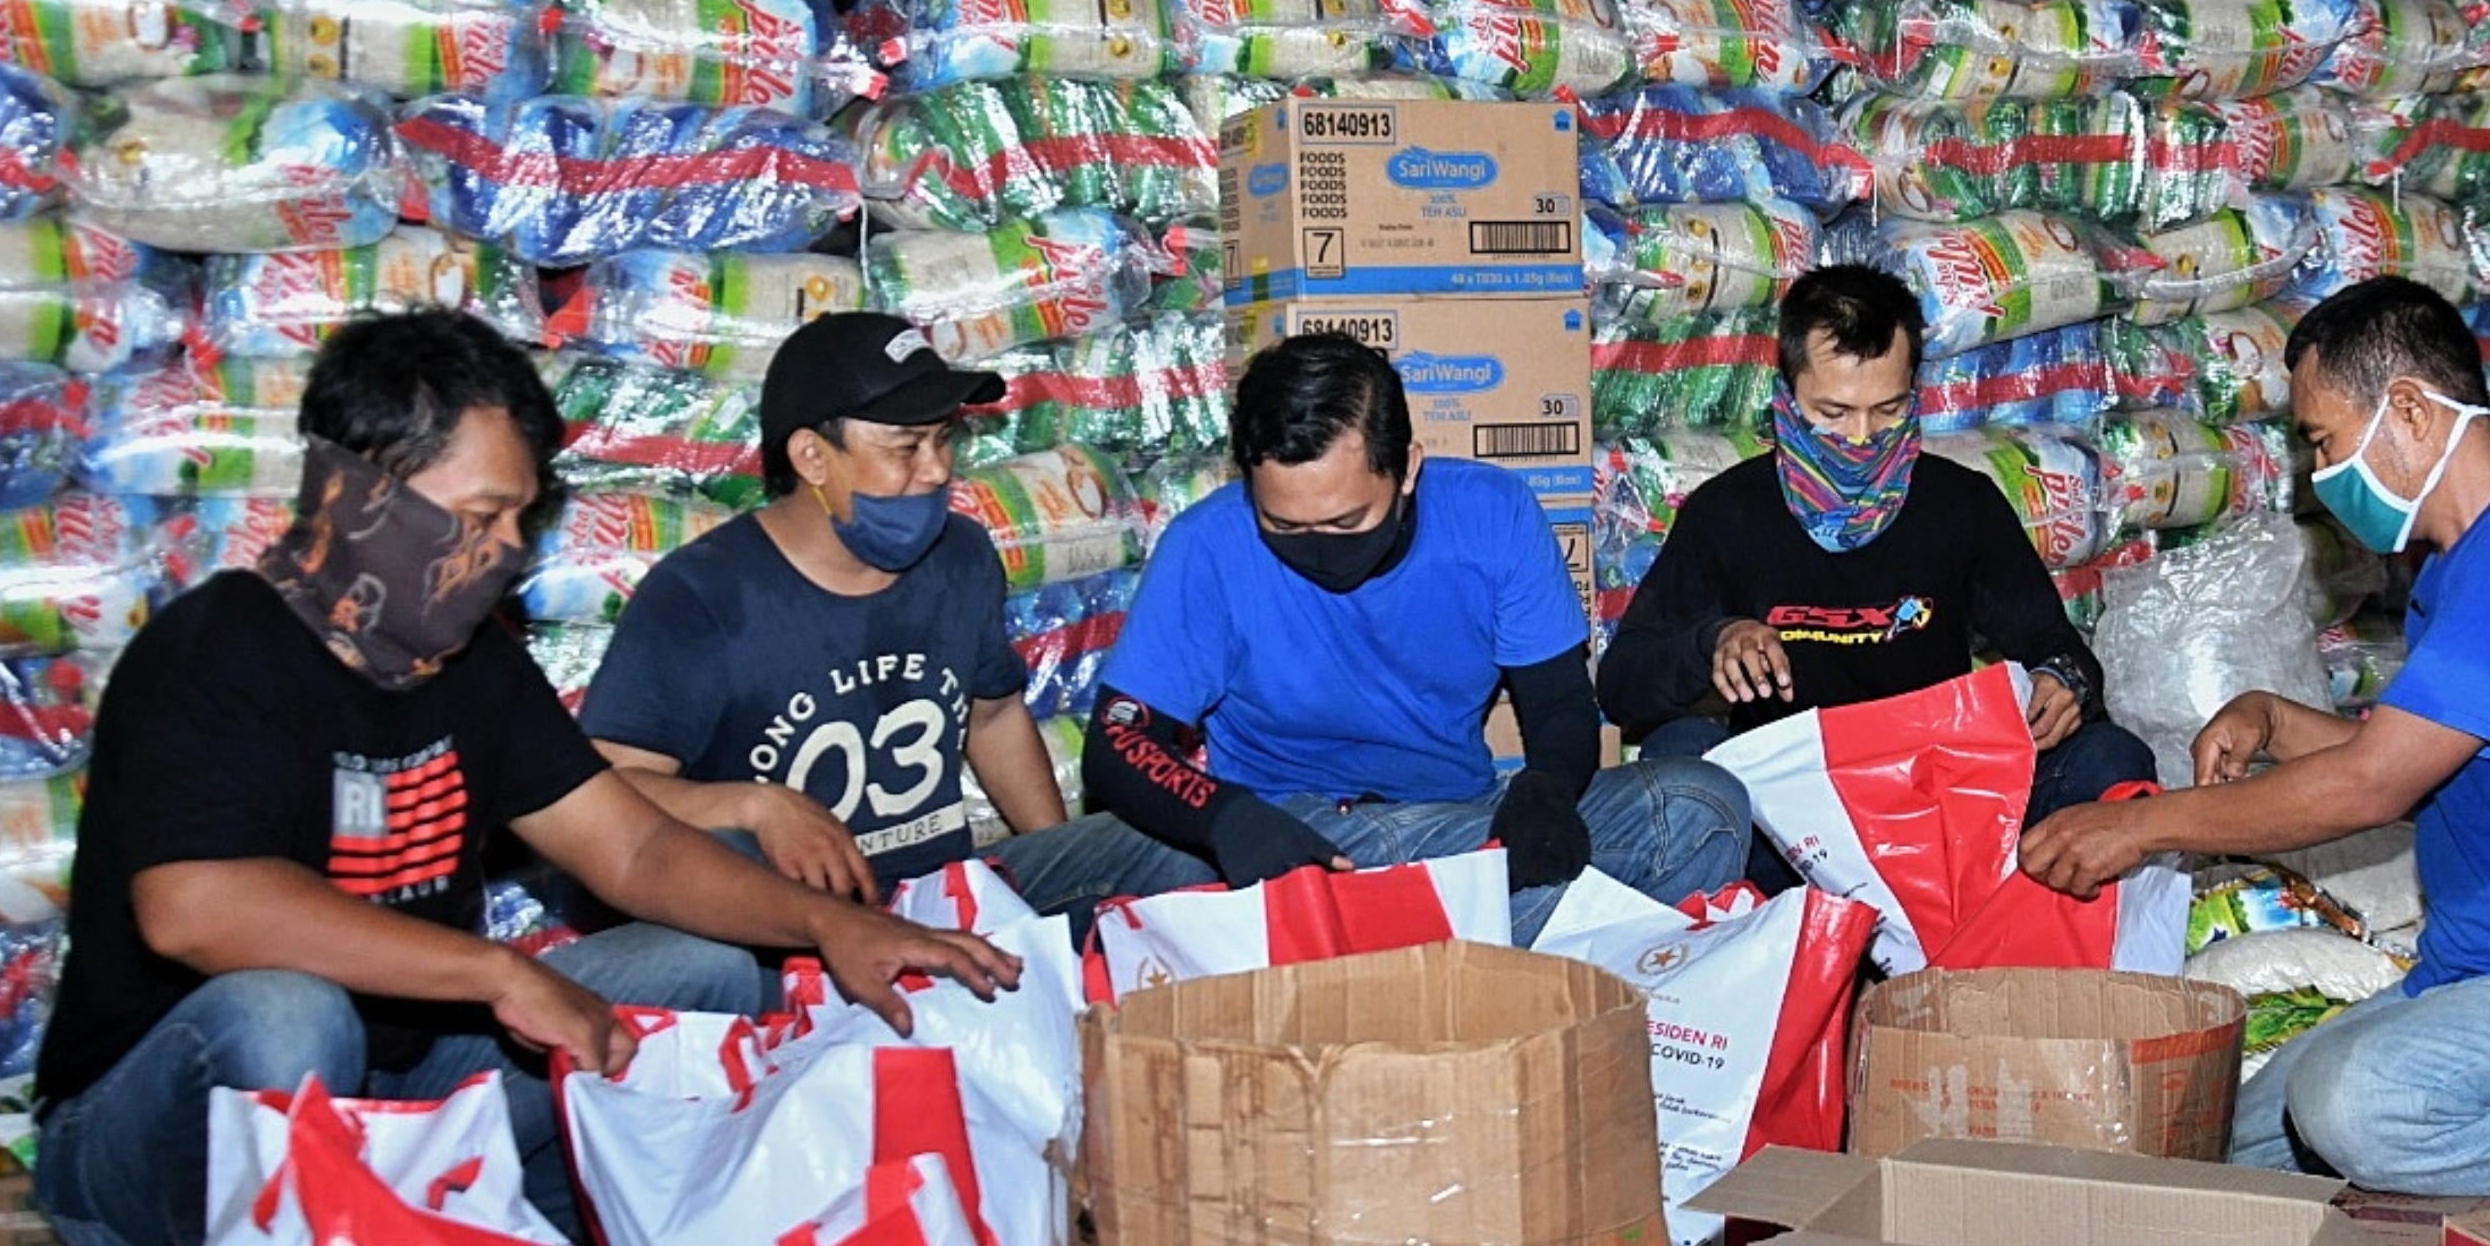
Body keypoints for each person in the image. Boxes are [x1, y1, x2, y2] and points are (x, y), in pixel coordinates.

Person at [32, 312, 1020, 1246]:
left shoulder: (467, 664)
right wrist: (500, 973)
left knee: (705, 968)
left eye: (518, 520)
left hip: (390, 1092)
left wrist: (831, 924)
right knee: (290, 1016)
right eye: (475, 518)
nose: (504, 549)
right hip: (138, 1149)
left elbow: (634, 851)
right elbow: (197, 909)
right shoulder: (212, 653)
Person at [2019, 275, 2490, 1201]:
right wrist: (2273, 717)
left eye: (2323, 440)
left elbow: (2374, 785)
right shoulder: (2458, 573)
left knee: (2355, 1104)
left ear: (2407, 410)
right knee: (2219, 1147)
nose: (2321, 476)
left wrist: (2145, 827)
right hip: (2476, 982)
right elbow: (2424, 761)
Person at [1072, 333, 1751, 944]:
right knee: (1031, 885)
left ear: (1409, 469)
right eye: (1284, 526)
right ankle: (1440, 943)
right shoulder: (1207, 546)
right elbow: (1118, 742)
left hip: (1452, 826)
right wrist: (1225, 821)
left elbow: (1558, 704)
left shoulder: (1491, 516)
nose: (1316, 550)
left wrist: (1544, 789)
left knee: (1703, 807)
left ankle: (1381, 943)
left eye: (1344, 523)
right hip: (1288, 840)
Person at [579, 311, 1206, 923]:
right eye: (905, 447)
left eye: (943, 440)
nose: (936, 470)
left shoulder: (958, 555)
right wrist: (754, 807)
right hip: (784, 928)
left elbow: (992, 716)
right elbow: (605, 791)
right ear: (813, 458)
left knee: (1186, 852)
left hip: (944, 901)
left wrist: (1067, 874)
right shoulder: (703, 596)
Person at [1599, 263, 2157, 820]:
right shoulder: (1728, 513)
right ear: (1786, 397)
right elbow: (1623, 684)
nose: (1862, 438)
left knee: (2111, 760)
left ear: (1915, 393)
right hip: (1791, 812)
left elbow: (2058, 648)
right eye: (1833, 413)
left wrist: (2061, 683)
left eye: (1888, 410)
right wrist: (1715, 642)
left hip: (1940, 798)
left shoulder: (1962, 505)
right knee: (1680, 764)